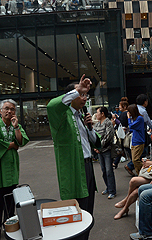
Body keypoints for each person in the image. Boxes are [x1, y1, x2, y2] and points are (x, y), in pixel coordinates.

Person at [47, 75, 101, 240]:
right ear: (70, 96)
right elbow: (52, 106)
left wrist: (90, 127)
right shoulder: (62, 117)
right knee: (77, 211)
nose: (84, 98)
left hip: (87, 167)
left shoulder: (80, 116)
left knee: (88, 210)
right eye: (81, 95)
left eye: (86, 95)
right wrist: (77, 89)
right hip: (74, 168)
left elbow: (95, 143)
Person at [0, 99, 29, 240]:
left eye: (12, 109)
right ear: (1, 111)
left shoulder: (16, 126)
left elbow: (21, 141)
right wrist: (11, 145)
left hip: (11, 168)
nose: (9, 111)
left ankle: (8, 226)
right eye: (6, 108)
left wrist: (16, 128)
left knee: (9, 201)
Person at [114, 121, 152, 220]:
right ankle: (125, 207)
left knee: (135, 188)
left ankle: (125, 206)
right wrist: (148, 165)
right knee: (134, 182)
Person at [94, 107, 117, 199]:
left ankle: (112, 191)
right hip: (100, 151)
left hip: (107, 150)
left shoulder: (108, 123)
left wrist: (99, 146)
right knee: (104, 170)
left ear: (102, 113)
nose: (96, 114)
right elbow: (94, 137)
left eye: (97, 113)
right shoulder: (97, 124)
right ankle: (108, 187)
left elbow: (108, 137)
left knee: (109, 171)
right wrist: (95, 148)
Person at [128, 104, 146, 174]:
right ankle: (139, 174)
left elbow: (131, 126)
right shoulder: (135, 119)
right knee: (134, 160)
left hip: (139, 141)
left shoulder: (139, 118)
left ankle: (147, 170)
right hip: (134, 141)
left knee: (135, 160)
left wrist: (128, 118)